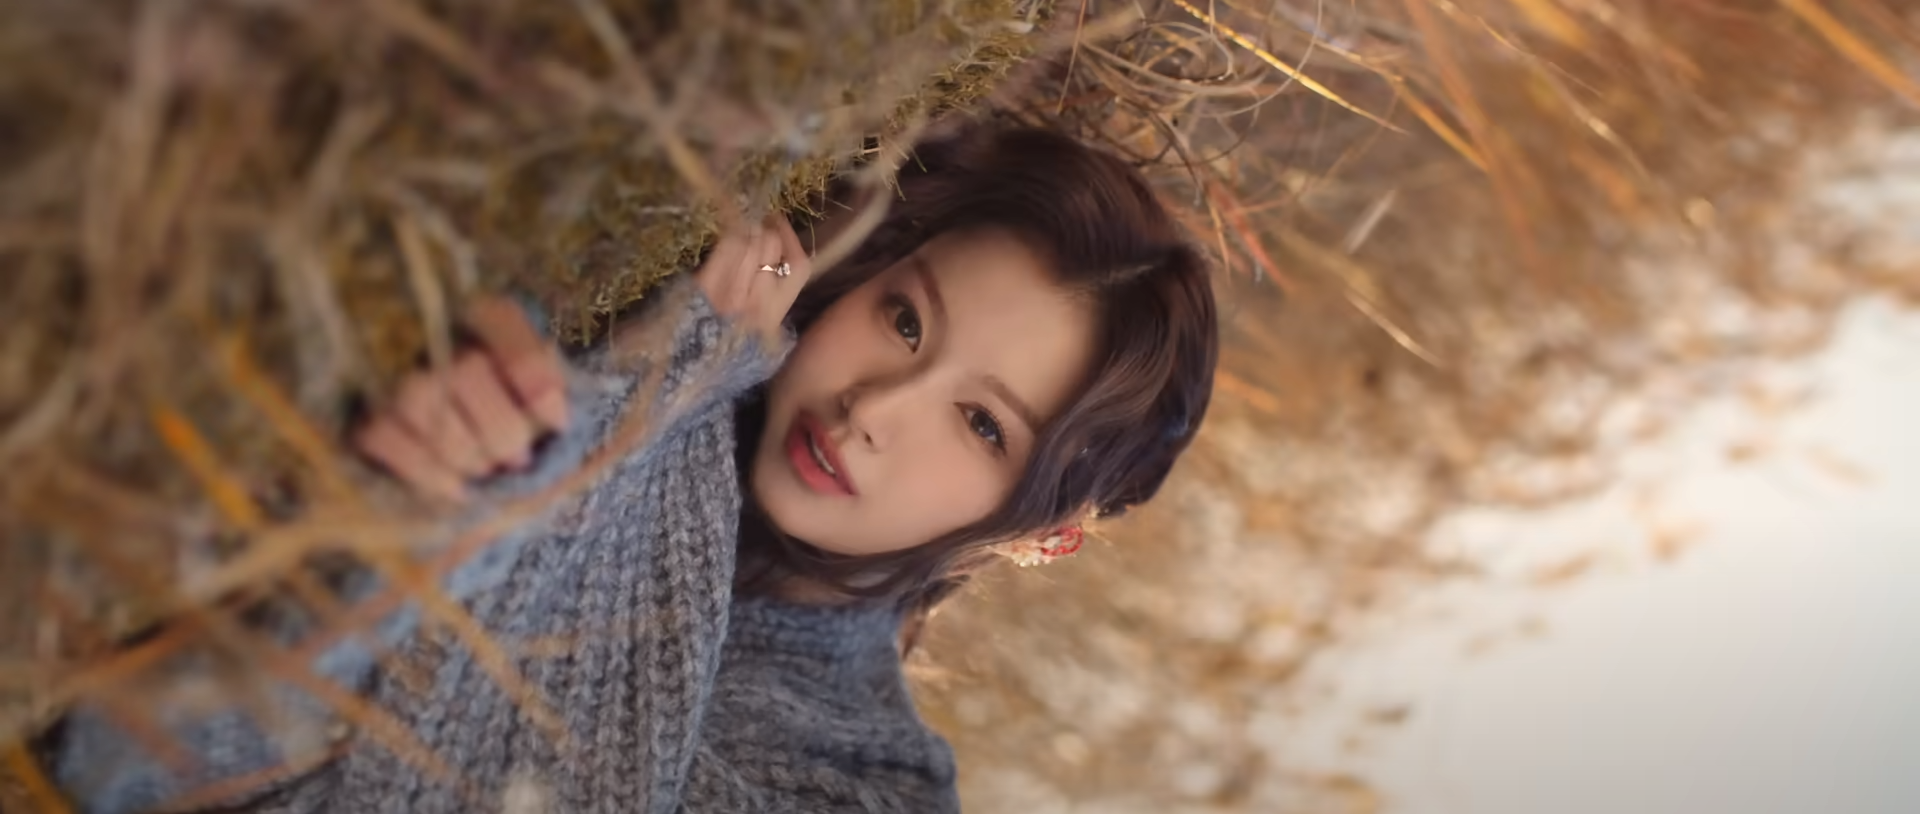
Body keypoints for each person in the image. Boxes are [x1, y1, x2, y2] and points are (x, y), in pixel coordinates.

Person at [43, 123, 1219, 813]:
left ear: (1039, 533)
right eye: (907, 322)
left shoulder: (864, 786)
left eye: (982, 426)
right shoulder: (640, 356)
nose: (874, 411)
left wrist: (610, 444)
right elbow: (124, 748)